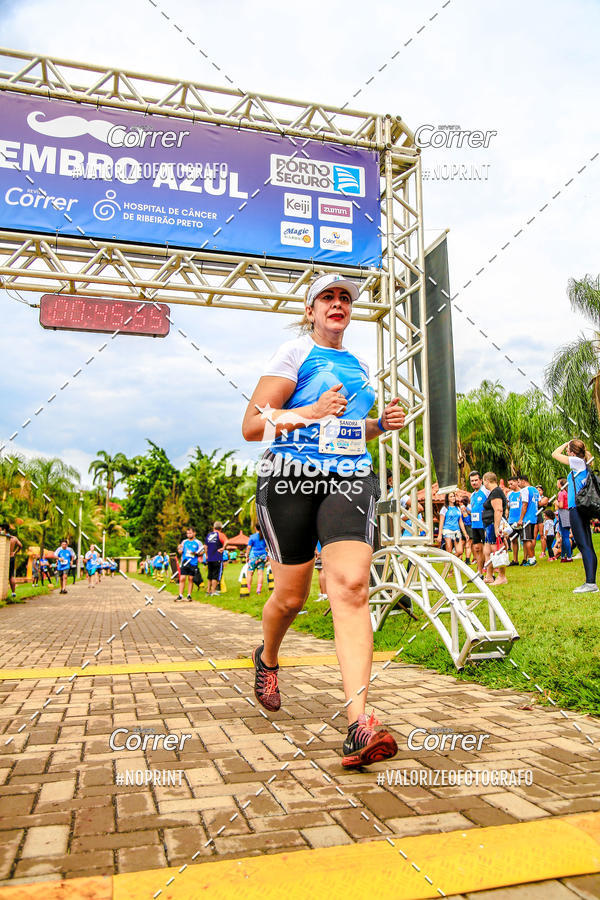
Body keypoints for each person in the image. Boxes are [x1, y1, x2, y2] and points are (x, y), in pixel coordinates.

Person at [242, 271, 405, 768]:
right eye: (327, 298)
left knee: (352, 585)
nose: (338, 304)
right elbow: (252, 426)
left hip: (349, 477)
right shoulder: (293, 354)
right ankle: (267, 656)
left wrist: (380, 424)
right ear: (311, 310)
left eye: (344, 299)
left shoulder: (358, 364)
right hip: (290, 478)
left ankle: (359, 723)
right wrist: (309, 410)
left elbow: (351, 431)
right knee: (291, 596)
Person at [552, 440, 598, 592]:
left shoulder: (577, 462)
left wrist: (566, 443)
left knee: (584, 545)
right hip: (580, 508)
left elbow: (554, 454)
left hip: (576, 509)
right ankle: (591, 582)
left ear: (572, 451)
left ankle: (590, 583)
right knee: (587, 545)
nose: (566, 453)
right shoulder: (582, 463)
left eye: (568, 450)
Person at [481, 472, 508, 585]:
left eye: (483, 481)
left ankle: (502, 577)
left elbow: (498, 510)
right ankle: (489, 575)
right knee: (487, 551)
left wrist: (496, 527)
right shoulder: (493, 492)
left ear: (487, 480)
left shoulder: (496, 492)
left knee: (497, 550)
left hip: (493, 524)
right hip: (489, 524)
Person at [468, 471, 489, 577]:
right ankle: (479, 572)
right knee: (477, 548)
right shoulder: (472, 495)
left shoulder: (486, 491)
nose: (474, 482)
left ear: (481, 480)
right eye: (472, 481)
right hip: (475, 525)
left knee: (487, 548)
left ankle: (490, 571)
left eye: (476, 480)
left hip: (484, 524)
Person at [516, 475, 539, 566]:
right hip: (534, 517)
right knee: (530, 538)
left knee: (526, 539)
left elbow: (524, 505)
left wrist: (521, 519)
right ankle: (531, 558)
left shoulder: (525, 490)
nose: (518, 484)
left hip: (527, 518)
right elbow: (539, 502)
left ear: (523, 481)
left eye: (518, 482)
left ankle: (532, 559)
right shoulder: (535, 490)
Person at [176, 527, 203, 601]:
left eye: (190, 533)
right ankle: (180, 595)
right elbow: (180, 551)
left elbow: (201, 552)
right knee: (182, 578)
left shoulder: (198, 542)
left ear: (194, 533)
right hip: (185, 562)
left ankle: (189, 595)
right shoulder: (184, 542)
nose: (188, 535)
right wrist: (179, 549)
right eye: (187, 533)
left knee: (191, 579)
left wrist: (196, 553)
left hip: (193, 563)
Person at [438, 492, 468, 557]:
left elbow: (460, 522)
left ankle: (451, 560)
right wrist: (439, 535)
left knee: (460, 551)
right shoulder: (444, 508)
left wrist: (465, 533)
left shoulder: (457, 508)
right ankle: (447, 565)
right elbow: (441, 522)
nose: (453, 498)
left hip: (457, 531)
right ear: (447, 498)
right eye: (451, 496)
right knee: (449, 550)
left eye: (453, 496)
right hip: (447, 530)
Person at [1, 524, 23, 600]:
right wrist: (14, 552)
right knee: (11, 576)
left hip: (4, 558)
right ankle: (13, 592)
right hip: (11, 557)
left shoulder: (3, 538)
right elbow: (20, 545)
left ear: (4, 530)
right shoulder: (14, 538)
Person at [205, 521, 227, 596]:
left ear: (213, 527)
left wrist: (206, 555)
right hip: (217, 557)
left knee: (210, 575)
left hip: (210, 558)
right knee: (215, 575)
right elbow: (227, 541)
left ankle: (208, 590)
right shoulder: (220, 534)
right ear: (221, 528)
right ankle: (213, 591)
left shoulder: (209, 535)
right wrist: (223, 548)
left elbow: (205, 546)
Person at [246, 527, 268, 595]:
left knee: (250, 573)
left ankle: (248, 589)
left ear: (255, 528)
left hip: (253, 557)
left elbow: (249, 547)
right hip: (262, 556)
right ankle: (258, 590)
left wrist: (247, 556)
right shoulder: (265, 536)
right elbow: (267, 547)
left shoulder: (252, 536)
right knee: (260, 573)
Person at [556, 477, 573, 562]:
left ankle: (569, 556)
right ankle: (563, 556)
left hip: (563, 514)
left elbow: (561, 505)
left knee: (565, 536)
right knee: (564, 535)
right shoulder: (568, 492)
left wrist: (556, 503)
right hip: (568, 513)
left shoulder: (561, 493)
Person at [506, 476, 522, 566]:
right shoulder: (509, 494)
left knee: (524, 539)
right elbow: (508, 506)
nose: (510, 485)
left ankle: (525, 559)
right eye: (509, 484)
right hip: (512, 519)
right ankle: (515, 560)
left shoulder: (522, 493)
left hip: (520, 519)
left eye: (511, 483)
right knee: (513, 539)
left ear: (517, 482)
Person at [535, 485, 549, 557]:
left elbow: (540, 503)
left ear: (542, 491)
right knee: (533, 536)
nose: (538, 492)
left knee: (542, 534)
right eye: (536, 490)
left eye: (539, 490)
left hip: (541, 517)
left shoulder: (544, 498)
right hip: (534, 516)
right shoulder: (534, 498)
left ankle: (543, 552)